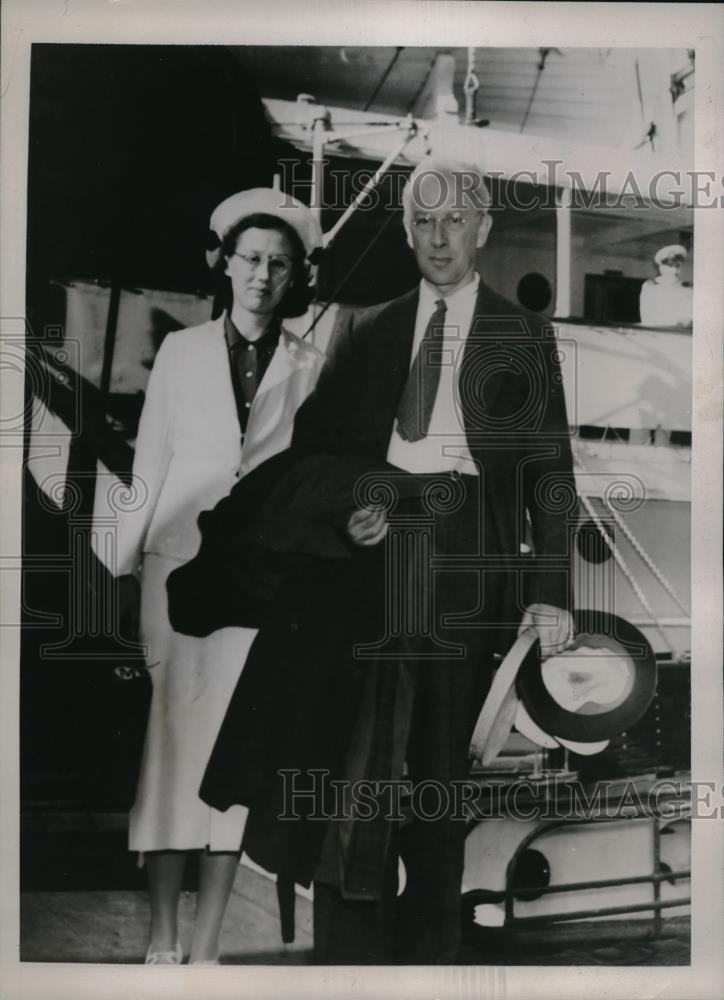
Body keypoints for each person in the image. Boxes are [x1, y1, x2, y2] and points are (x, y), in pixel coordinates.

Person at [186, 157, 578, 964]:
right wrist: (348, 513)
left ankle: (429, 965)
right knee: (348, 766)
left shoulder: (525, 334)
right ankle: (345, 967)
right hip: (370, 564)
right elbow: (318, 451)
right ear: (406, 231)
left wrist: (552, 594)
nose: (439, 238)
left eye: (454, 221)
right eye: (423, 223)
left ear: (483, 228)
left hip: (469, 567)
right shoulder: (362, 327)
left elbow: (551, 475)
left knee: (436, 779)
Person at [100, 188, 324, 964]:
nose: (263, 274)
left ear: (295, 275)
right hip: (179, 575)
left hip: (256, 587)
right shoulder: (182, 352)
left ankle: (206, 950)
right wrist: (131, 569)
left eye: (279, 263)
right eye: (251, 259)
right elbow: (148, 461)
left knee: (238, 762)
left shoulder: (310, 365)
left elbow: (305, 481)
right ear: (225, 265)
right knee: (168, 758)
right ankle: (161, 942)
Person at [639, 243, 693, 328]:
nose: (674, 269)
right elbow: (647, 318)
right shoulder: (650, 287)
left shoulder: (687, 288)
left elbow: (690, 318)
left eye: (677, 266)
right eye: (669, 266)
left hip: (681, 335)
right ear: (661, 268)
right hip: (657, 334)